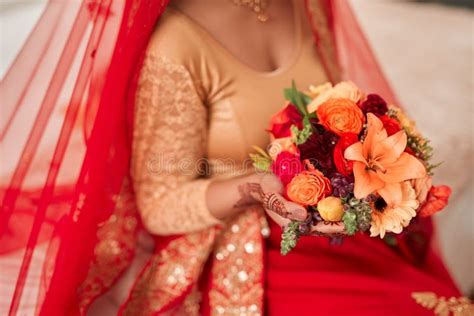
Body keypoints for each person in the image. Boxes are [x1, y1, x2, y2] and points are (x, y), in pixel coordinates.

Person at [0, 1, 467, 315]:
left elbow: (336, 109)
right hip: (253, 247)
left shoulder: (306, 5)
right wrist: (256, 188)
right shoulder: (176, 44)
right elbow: (160, 203)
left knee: (442, 304)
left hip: (328, 223)